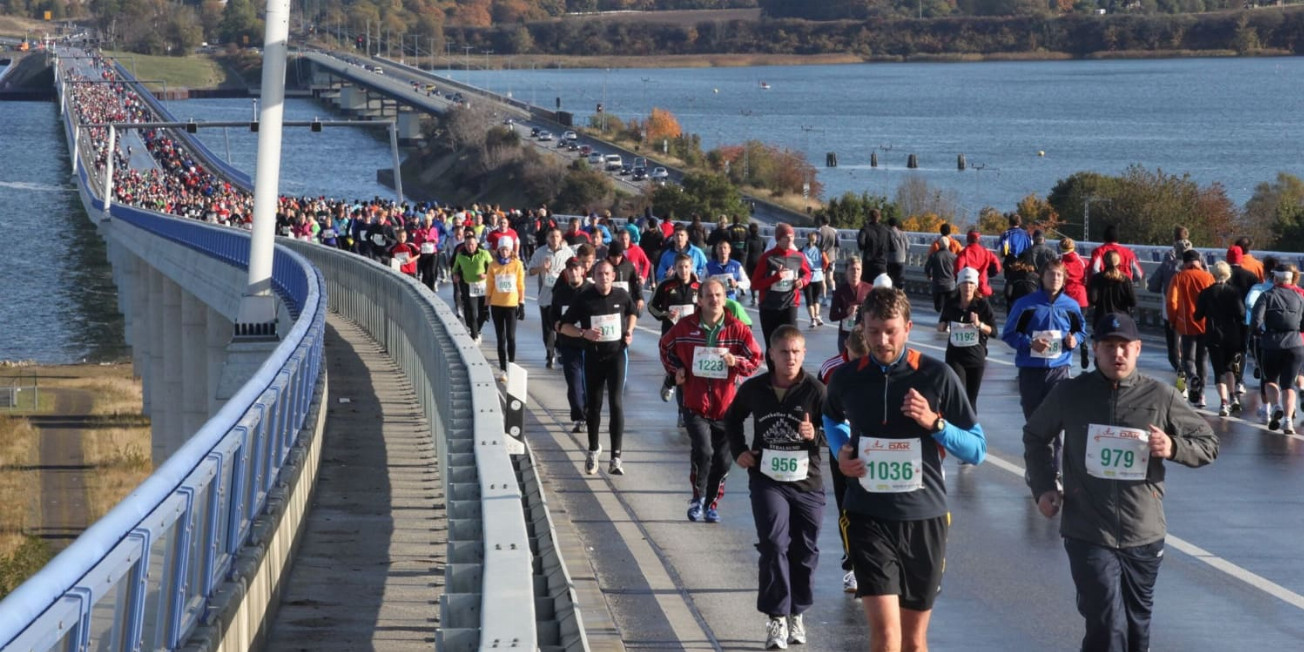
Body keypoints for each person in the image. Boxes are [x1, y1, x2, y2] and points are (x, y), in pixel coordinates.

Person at [1023, 311, 1218, 652]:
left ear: (1138, 349)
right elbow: (1035, 435)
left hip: (1143, 531)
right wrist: (1043, 486)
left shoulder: (1159, 396)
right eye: (1109, 346)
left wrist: (1173, 447)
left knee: (1136, 626)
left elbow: (1208, 444)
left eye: (1125, 346)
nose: (1118, 354)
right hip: (1088, 531)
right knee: (1107, 622)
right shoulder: (1070, 394)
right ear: (1095, 349)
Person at [823, 288, 986, 652]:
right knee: (885, 637)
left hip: (923, 518)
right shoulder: (846, 378)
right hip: (867, 516)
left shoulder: (936, 376)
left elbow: (977, 450)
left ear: (908, 328)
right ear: (861, 328)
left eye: (890, 330)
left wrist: (935, 423)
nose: (881, 340)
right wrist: (840, 451)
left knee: (913, 641)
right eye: (873, 330)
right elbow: (831, 418)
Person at [725, 325, 827, 650]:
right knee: (773, 545)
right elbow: (732, 418)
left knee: (805, 550)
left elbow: (840, 431)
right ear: (771, 354)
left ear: (804, 354)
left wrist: (816, 436)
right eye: (784, 352)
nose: (790, 358)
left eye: (796, 352)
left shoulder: (816, 391)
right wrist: (738, 450)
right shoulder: (755, 388)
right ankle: (776, 618)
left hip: (807, 482)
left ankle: (797, 611)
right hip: (768, 481)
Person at [661, 279, 763, 524]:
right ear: (700, 300)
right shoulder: (685, 326)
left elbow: (755, 359)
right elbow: (665, 347)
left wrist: (736, 362)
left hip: (726, 406)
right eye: (709, 296)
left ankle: (712, 503)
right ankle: (697, 498)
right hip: (694, 403)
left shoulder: (737, 329)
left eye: (718, 295)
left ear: (725, 297)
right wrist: (676, 370)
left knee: (723, 459)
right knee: (704, 451)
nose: (714, 300)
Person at [559, 260, 639, 475]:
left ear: (613, 276)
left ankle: (616, 457)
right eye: (599, 274)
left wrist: (629, 331)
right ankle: (593, 449)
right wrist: (584, 333)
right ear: (593, 276)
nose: (604, 277)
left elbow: (633, 312)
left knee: (616, 403)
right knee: (594, 406)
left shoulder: (621, 296)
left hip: (617, 356)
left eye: (607, 274)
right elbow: (563, 326)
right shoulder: (584, 298)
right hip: (593, 357)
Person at [817, 328, 869, 595]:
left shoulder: (875, 367)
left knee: (872, 508)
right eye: (855, 356)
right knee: (846, 507)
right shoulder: (831, 369)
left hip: (873, 448)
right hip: (843, 449)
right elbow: (818, 408)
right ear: (846, 346)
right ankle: (851, 566)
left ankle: (873, 564)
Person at [1002, 261, 1087, 420]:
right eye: (1050, 274)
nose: (1055, 278)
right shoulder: (1025, 304)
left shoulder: (1071, 306)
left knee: (1057, 420)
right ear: (1042, 277)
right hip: (1031, 370)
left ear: (1064, 279)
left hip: (1059, 369)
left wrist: (1074, 340)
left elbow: (1081, 332)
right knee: (1034, 420)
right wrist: (1030, 343)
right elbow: (1009, 334)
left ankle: (1057, 446)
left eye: (1059, 274)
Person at [1250, 265, 1304, 433]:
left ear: (1275, 279)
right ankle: (1288, 421)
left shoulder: (1266, 296)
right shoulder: (1300, 297)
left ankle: (1275, 406)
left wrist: (1259, 333)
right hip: (1295, 343)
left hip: (1272, 343)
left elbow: (1256, 322)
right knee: (1289, 385)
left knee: (1271, 380)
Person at [937, 268, 997, 413]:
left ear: (976, 286)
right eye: (964, 283)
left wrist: (979, 325)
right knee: (959, 396)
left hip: (975, 357)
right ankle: (958, 430)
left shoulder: (982, 305)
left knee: (971, 400)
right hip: (955, 356)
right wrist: (942, 326)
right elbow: (942, 322)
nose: (967, 286)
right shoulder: (951, 303)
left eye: (971, 283)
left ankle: (971, 431)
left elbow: (994, 332)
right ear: (959, 285)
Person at [651, 254, 702, 416]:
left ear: (691, 267)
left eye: (686, 267)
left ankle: (683, 410)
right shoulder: (666, 285)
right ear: (675, 268)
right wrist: (666, 314)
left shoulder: (699, 286)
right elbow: (651, 306)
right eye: (680, 267)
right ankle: (681, 409)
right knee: (681, 370)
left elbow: (705, 308)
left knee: (689, 373)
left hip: (693, 336)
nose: (684, 270)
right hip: (672, 336)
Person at [1194, 262, 1247, 417]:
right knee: (1230, 368)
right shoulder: (1234, 292)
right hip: (1232, 334)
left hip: (1214, 334)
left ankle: (1223, 403)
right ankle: (1233, 397)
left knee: (1219, 371)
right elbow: (1241, 314)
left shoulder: (1206, 293)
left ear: (1213, 274)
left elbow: (1198, 315)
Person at [752, 223, 812, 357]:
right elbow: (755, 284)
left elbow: (808, 274)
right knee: (772, 345)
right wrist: (775, 278)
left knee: (791, 341)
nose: (790, 240)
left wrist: (803, 281)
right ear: (778, 239)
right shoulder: (767, 258)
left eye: (792, 237)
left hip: (790, 304)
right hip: (769, 306)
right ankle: (772, 375)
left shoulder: (798, 256)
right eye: (786, 237)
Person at [550, 252, 594, 434]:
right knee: (574, 382)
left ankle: (591, 413)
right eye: (570, 270)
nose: (574, 273)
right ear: (566, 273)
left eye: (577, 269)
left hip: (591, 345)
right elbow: (553, 318)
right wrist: (558, 326)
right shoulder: (560, 293)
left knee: (590, 382)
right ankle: (579, 416)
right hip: (568, 344)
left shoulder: (591, 291)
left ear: (582, 271)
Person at [1167, 250, 1213, 408]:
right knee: (1203, 360)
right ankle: (1202, 396)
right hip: (1206, 324)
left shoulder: (1179, 277)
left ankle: (1192, 378)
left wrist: (1173, 321)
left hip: (1186, 324)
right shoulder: (1208, 277)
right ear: (1199, 261)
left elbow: (1171, 302)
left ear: (1184, 262)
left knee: (1188, 359)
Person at [528, 227, 574, 368]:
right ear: (547, 238)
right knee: (548, 328)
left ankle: (560, 349)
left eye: (557, 236)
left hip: (563, 296)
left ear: (561, 238)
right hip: (546, 296)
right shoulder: (540, 252)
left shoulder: (568, 253)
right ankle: (550, 353)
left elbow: (576, 270)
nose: (554, 239)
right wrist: (542, 268)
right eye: (552, 236)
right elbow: (530, 271)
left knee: (561, 325)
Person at [1147, 237, 1192, 379]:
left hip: (1170, 306)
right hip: (1191, 308)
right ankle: (1190, 365)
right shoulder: (1198, 267)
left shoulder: (1167, 265)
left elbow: (1152, 285)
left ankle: (1178, 367)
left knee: (1173, 339)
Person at [486, 236, 526, 381]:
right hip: (497, 305)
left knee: (511, 337)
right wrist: (486, 306)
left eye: (507, 249)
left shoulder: (517, 264)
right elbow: (489, 287)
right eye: (502, 249)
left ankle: (512, 366)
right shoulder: (493, 265)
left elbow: (521, 285)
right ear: (498, 250)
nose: (504, 252)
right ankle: (503, 369)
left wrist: (522, 304)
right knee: (500, 338)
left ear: (511, 250)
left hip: (511, 305)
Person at [452, 230, 492, 343]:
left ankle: (477, 329)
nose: (471, 247)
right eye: (468, 245)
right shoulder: (460, 255)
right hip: (469, 287)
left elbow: (493, 268)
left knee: (483, 312)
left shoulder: (483, 253)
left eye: (473, 244)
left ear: (477, 244)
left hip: (483, 286)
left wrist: (486, 274)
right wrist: (455, 275)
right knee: (472, 311)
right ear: (464, 245)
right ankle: (474, 335)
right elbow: (455, 269)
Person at [829, 258, 873, 354]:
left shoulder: (869, 289)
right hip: (845, 335)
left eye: (858, 269)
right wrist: (846, 312)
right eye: (852, 269)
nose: (855, 272)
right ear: (846, 272)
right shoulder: (840, 291)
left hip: (863, 335)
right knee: (845, 365)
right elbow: (832, 316)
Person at [954, 230, 1001, 298]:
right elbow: (997, 266)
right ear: (979, 239)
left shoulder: (964, 253)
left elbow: (957, 269)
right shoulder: (986, 252)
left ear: (967, 239)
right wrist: (989, 273)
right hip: (983, 287)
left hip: (969, 289)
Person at [924, 234, 957, 313]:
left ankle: (941, 319)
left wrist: (929, 276)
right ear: (948, 244)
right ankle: (947, 320)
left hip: (937, 284)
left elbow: (927, 268)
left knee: (938, 307)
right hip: (950, 284)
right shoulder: (953, 256)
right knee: (950, 305)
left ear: (939, 244)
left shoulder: (934, 256)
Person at [856, 208, 891, 283]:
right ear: (880, 217)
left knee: (866, 289)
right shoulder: (886, 230)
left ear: (869, 217)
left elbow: (861, 244)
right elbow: (892, 246)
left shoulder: (865, 229)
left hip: (868, 264)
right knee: (881, 290)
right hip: (882, 264)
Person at [800, 231, 827, 327]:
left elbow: (799, 261)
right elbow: (826, 261)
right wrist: (823, 269)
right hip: (818, 275)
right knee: (816, 298)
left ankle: (813, 319)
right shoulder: (820, 249)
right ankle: (817, 316)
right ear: (815, 239)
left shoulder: (803, 250)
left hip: (807, 276)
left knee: (809, 299)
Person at [745, 222, 768, 306]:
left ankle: (754, 296)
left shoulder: (748, 239)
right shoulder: (761, 239)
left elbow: (745, 250)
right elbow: (766, 249)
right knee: (761, 278)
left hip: (750, 261)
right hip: (760, 261)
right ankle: (761, 296)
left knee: (752, 279)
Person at [817, 216, 840, 297]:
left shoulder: (820, 230)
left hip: (822, 258)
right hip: (832, 257)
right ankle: (834, 294)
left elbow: (818, 243)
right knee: (830, 278)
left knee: (823, 279)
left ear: (821, 221)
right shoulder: (834, 231)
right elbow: (838, 244)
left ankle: (824, 297)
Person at [885, 218, 909, 289]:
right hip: (901, 259)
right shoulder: (902, 234)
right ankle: (899, 296)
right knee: (900, 281)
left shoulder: (887, 233)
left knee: (889, 280)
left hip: (890, 260)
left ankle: (890, 295)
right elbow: (907, 246)